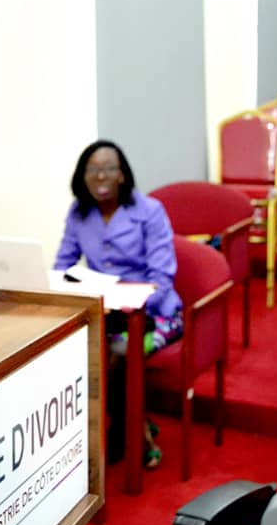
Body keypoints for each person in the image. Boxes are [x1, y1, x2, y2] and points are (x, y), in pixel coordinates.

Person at [54, 139, 182, 469]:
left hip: (157, 314)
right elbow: (63, 266)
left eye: (109, 169)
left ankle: (125, 436)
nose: (101, 177)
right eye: (93, 170)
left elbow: (162, 278)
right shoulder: (79, 212)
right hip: (106, 313)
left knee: (118, 352)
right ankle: (137, 428)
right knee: (76, 350)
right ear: (82, 176)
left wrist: (131, 302)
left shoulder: (150, 211)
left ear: (122, 175)